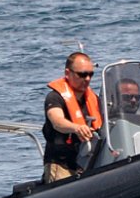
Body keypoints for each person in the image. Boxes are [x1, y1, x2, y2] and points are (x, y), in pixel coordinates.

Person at [42, 52, 101, 183]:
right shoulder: (55, 97)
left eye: (90, 74)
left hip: (88, 164)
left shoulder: (94, 99)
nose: (87, 79)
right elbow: (57, 121)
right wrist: (76, 128)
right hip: (62, 165)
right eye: (82, 74)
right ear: (68, 73)